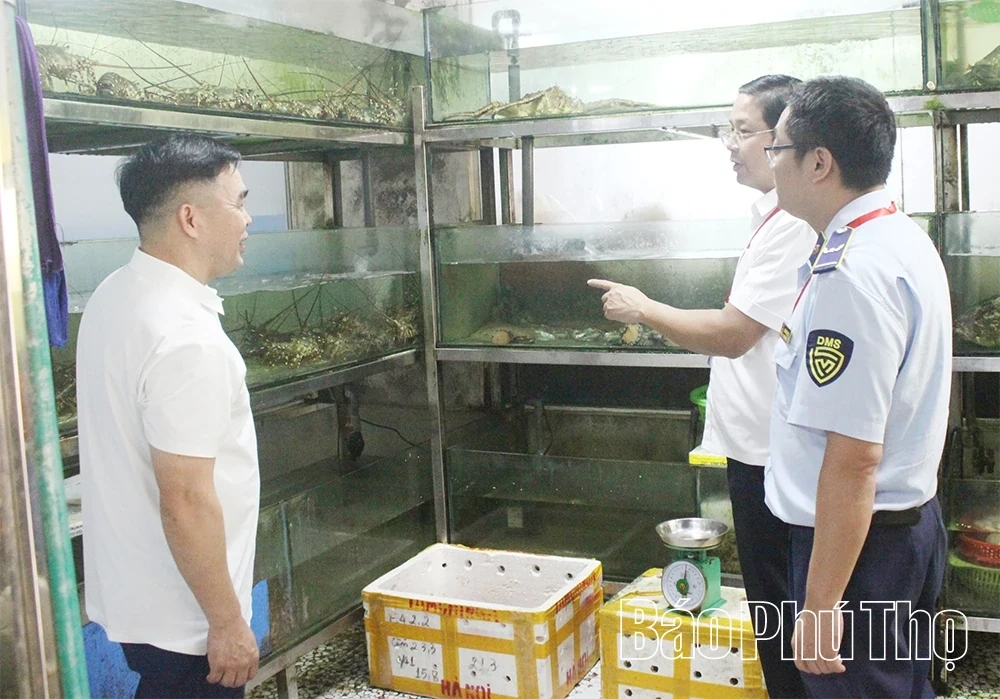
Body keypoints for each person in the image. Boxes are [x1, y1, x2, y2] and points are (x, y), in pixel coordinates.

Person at [588, 75, 814, 697]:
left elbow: (735, 333)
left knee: (785, 607)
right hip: (758, 448)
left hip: (776, 455)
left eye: (743, 131)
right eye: (728, 129)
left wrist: (643, 308)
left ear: (787, 140)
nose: (730, 144)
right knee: (776, 602)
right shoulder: (769, 215)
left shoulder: (795, 223)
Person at [764, 76, 950, 698]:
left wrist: (820, 604)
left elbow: (854, 458)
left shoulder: (854, 273)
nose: (770, 162)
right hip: (898, 531)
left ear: (819, 162)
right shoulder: (897, 238)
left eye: (776, 147)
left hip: (859, 551)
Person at [77, 134, 260, 698]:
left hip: (140, 601)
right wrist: (228, 623)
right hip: (191, 623)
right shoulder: (185, 339)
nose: (248, 219)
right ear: (191, 218)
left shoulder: (114, 295)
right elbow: (185, 499)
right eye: (238, 201)